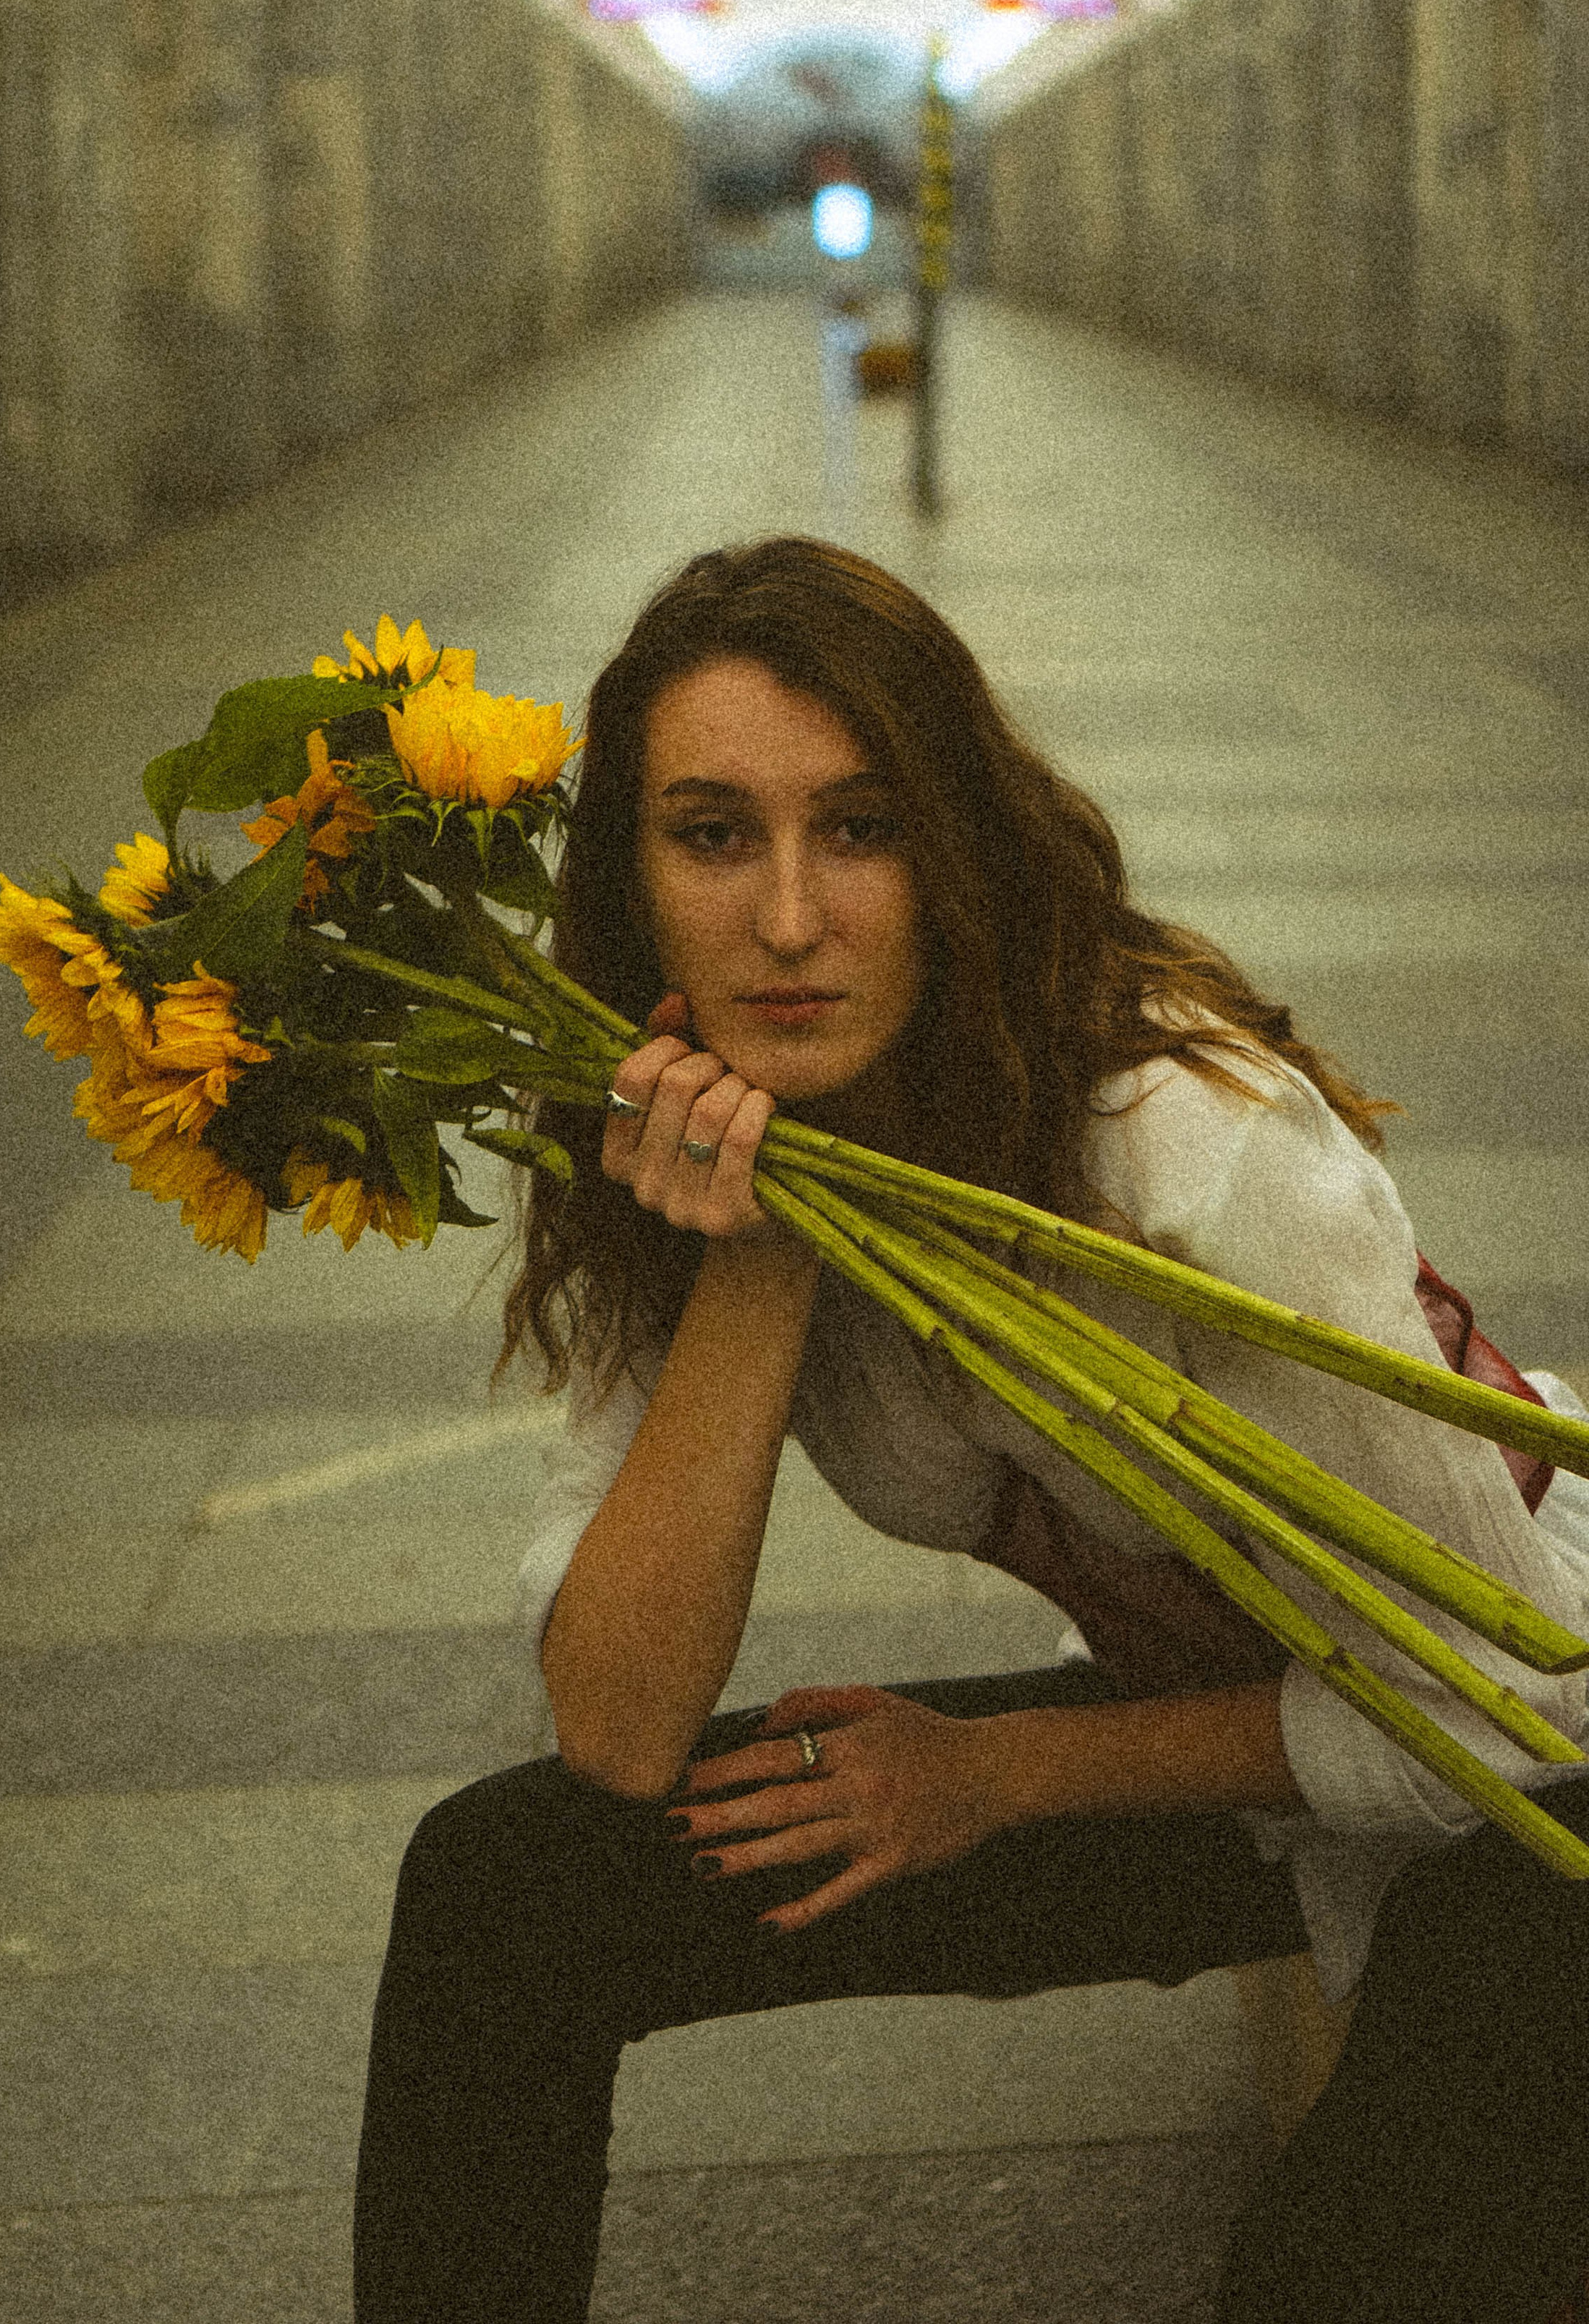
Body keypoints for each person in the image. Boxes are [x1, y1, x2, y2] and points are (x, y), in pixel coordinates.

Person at [352, 537, 1589, 2323]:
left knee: (1324, 2277)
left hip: (1538, 1762)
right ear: (630, 881)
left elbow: (1516, 1705)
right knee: (503, 1888)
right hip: (1251, 1763)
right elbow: (619, 1731)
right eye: (712, 835)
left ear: (953, 850)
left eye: (859, 829)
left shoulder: (1180, 1146)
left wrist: (997, 1775)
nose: (787, 921)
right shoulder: (692, 1141)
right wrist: (759, 1261)